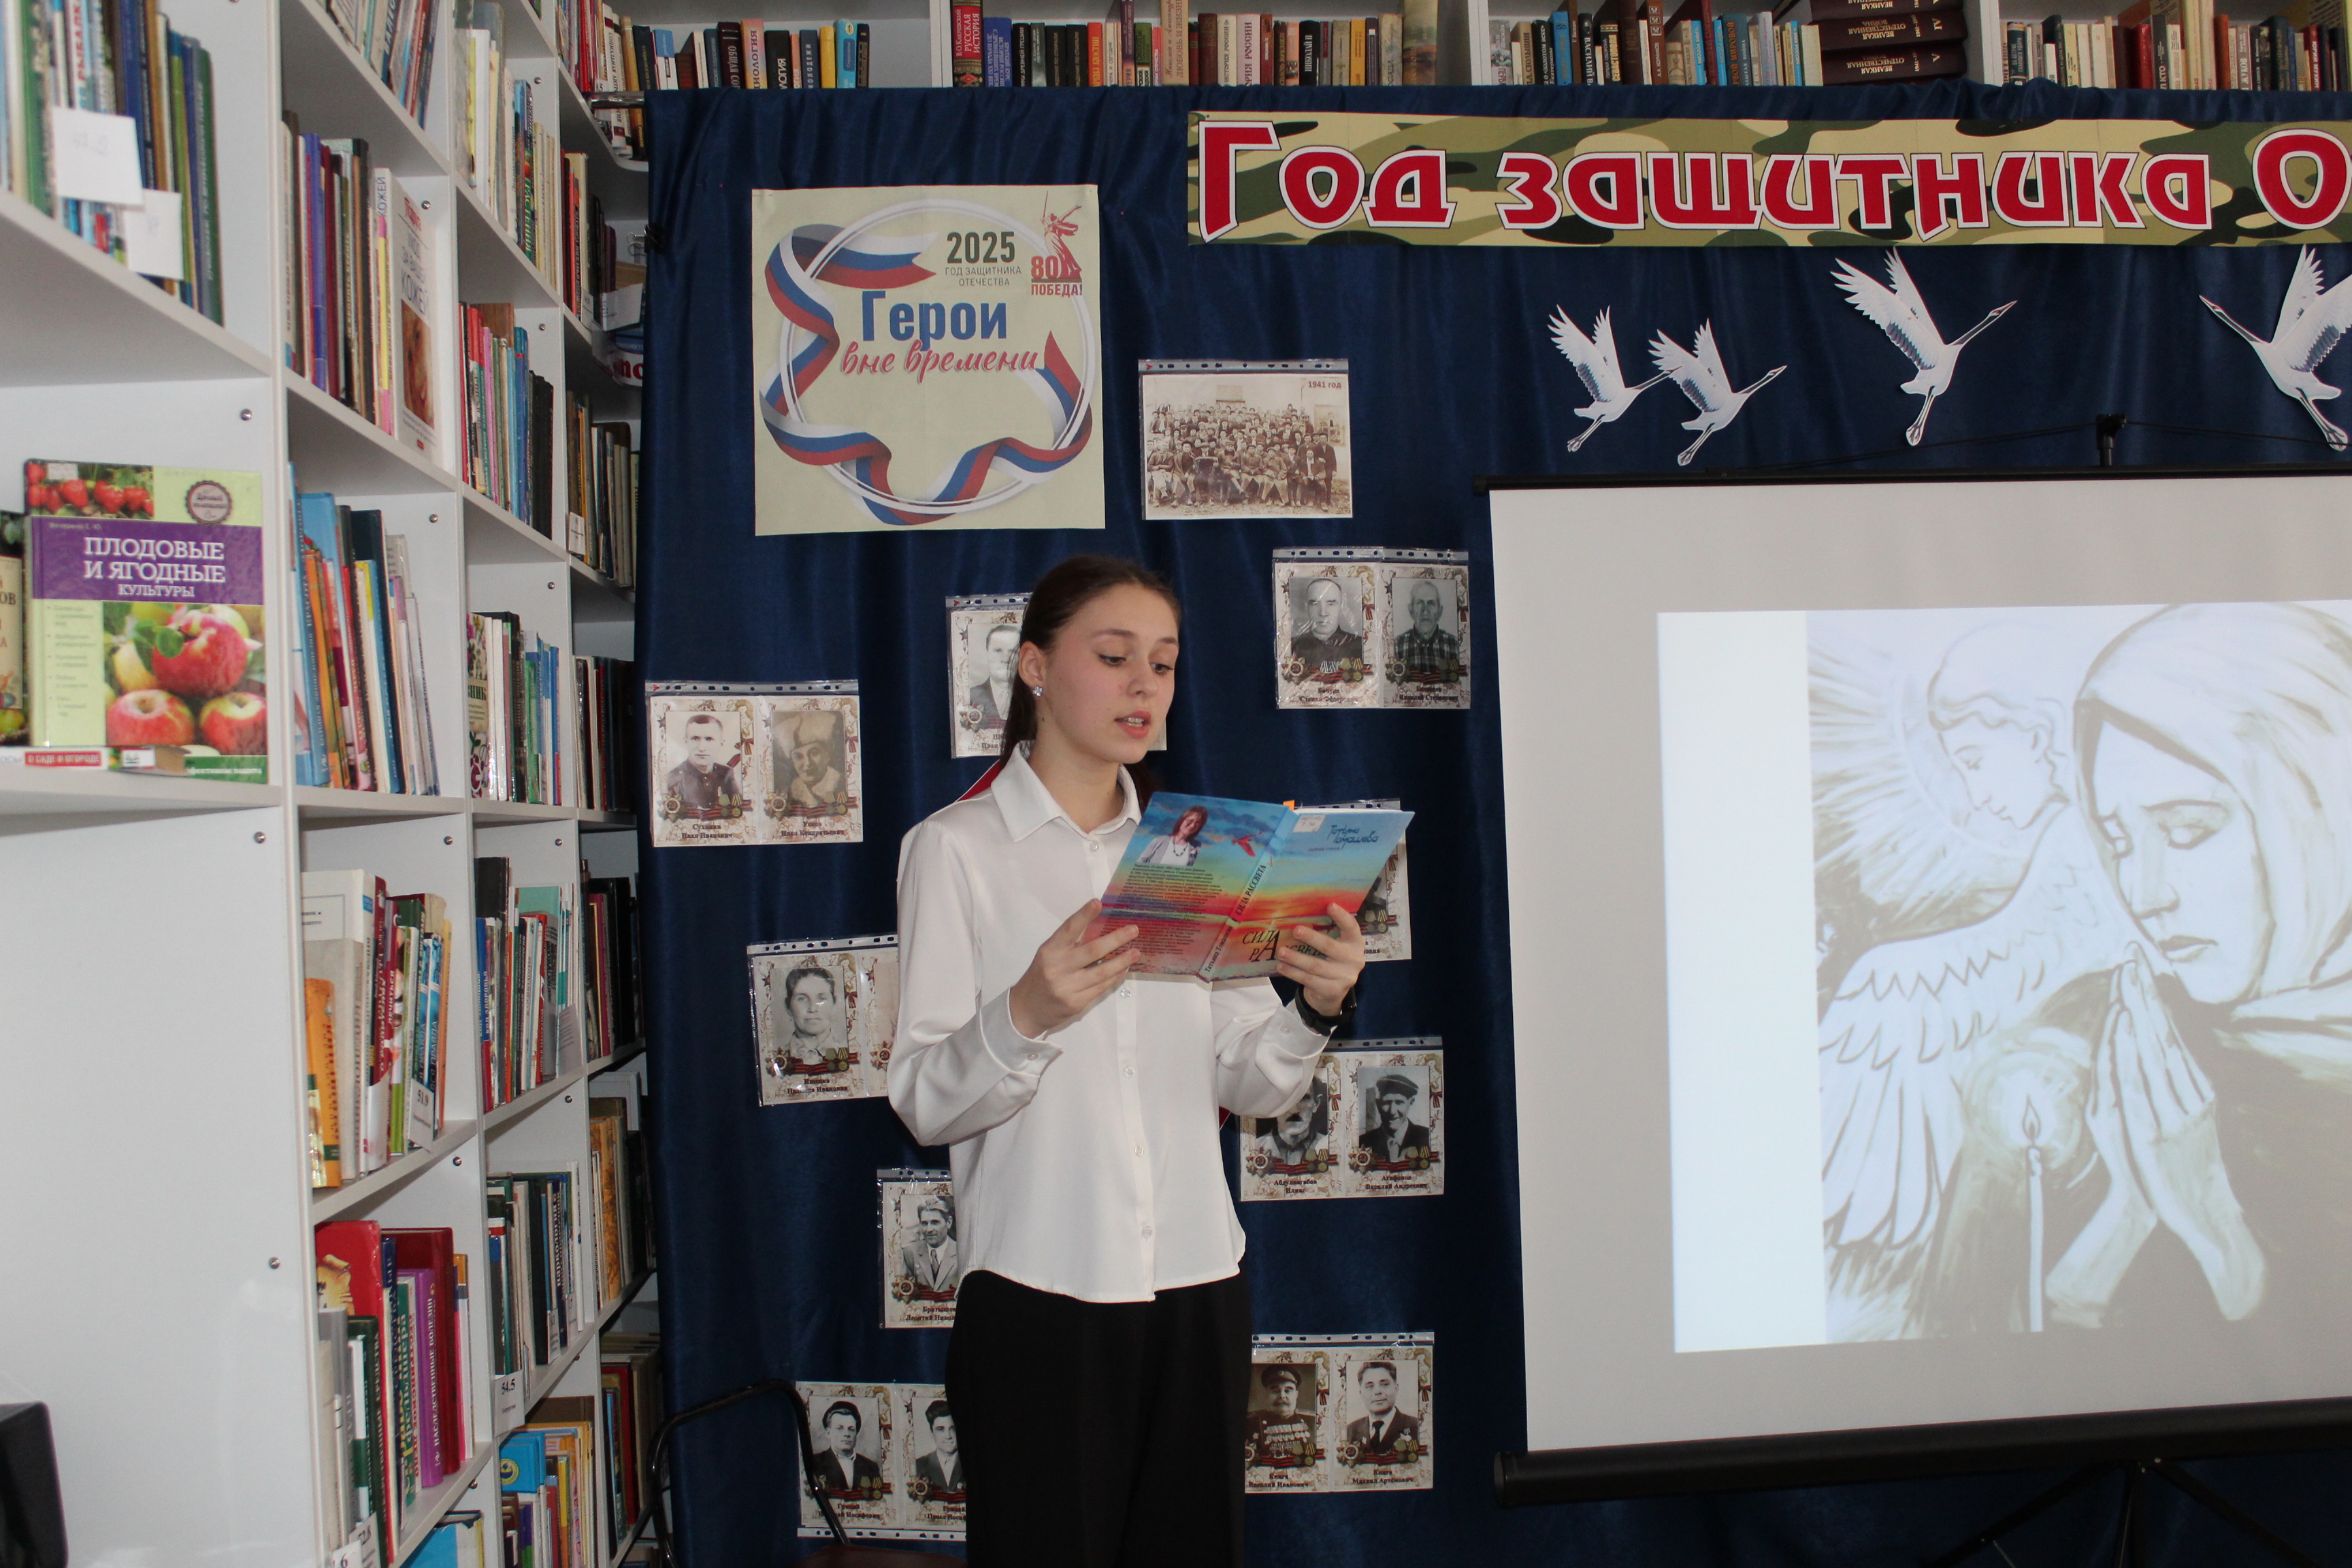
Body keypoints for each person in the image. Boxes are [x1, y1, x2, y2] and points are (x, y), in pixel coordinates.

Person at [891, 555, 1366, 1568]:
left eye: (1164, 662)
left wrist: (1317, 1009)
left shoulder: (1201, 850)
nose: (1145, 685)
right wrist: (1026, 1011)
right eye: (1114, 657)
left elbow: (1248, 1079)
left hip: (1199, 1281)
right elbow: (923, 1101)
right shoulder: (957, 849)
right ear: (1033, 667)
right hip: (1039, 1292)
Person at [2049, 602, 2352, 1333]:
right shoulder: (2100, 1039)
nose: (2144, 894)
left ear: (2317, 814)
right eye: (2119, 841)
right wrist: (2125, 1216)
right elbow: (1979, 1350)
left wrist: (2217, 1230)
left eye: (2187, 831)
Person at [663, 711, 743, 822]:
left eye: (709, 739)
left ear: (721, 743)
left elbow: (738, 813)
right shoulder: (674, 779)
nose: (701, 748)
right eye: (695, 739)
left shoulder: (726, 774)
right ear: (686, 741)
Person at [1288, 578, 1363, 680]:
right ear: (1307, 607)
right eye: (1315, 604)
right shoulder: (1292, 647)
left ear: (1341, 606)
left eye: (1331, 604)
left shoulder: (1361, 646)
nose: (1323, 613)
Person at [1341, 1360, 1419, 1460]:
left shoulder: (1416, 1426)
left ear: (1396, 1388)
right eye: (1370, 1386)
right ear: (1361, 1393)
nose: (1377, 1391)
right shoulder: (1350, 1431)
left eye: (1385, 1384)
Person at [1243, 1365, 1317, 1468]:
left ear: (1296, 1395)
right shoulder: (1250, 1424)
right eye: (1275, 1390)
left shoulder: (1314, 1422)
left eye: (1288, 1390)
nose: (1282, 1396)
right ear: (1267, 1395)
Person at [1391, 578, 1462, 683]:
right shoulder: (1397, 645)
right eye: (1420, 603)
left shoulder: (1454, 645)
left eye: (1431, 603)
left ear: (1440, 611)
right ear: (1411, 610)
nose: (1425, 610)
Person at [777, 962, 843, 1073]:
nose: (812, 1008)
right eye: (802, 999)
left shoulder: (852, 1053)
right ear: (788, 1006)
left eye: (821, 998)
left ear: (834, 1004)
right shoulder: (777, 1058)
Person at [1254, 1079, 1328, 1173]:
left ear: (1316, 1104)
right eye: (1285, 1100)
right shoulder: (1255, 1147)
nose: (1294, 1110)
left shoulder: (1330, 1146)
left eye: (1303, 1098)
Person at [808, 1400, 881, 1495]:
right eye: (840, 1428)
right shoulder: (815, 1462)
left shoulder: (871, 1466)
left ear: (856, 1433)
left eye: (851, 1429)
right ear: (829, 1433)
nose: (847, 1434)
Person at [781, 711, 847, 811]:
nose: (807, 763)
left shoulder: (844, 785)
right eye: (798, 757)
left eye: (814, 753)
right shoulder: (788, 794)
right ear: (792, 761)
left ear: (828, 754)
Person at [1360, 1073, 1431, 1166]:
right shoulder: (1363, 1143)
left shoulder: (1427, 1137)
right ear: (1378, 1104)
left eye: (1399, 1102)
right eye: (1387, 1103)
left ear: (1411, 1102)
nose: (1392, 1111)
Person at [899, 1193, 961, 1296]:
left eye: (935, 1223)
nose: (929, 1229)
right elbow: (904, 1293)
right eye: (924, 1224)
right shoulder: (910, 1253)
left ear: (949, 1223)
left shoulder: (961, 1252)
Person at [968, 623, 1020, 736]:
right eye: (998, 651)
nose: (1005, 659)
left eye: (1013, 652)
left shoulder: (1036, 699)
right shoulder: (970, 697)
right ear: (986, 654)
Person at [913, 1401, 966, 1499]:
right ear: (932, 1432)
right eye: (941, 1429)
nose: (948, 1436)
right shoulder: (919, 1465)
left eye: (953, 1429)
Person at [1137, 804, 1209, 868]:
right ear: (1182, 820)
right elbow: (1140, 863)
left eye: (1197, 823)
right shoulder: (1159, 841)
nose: (1192, 825)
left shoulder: (1196, 846)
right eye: (1191, 820)